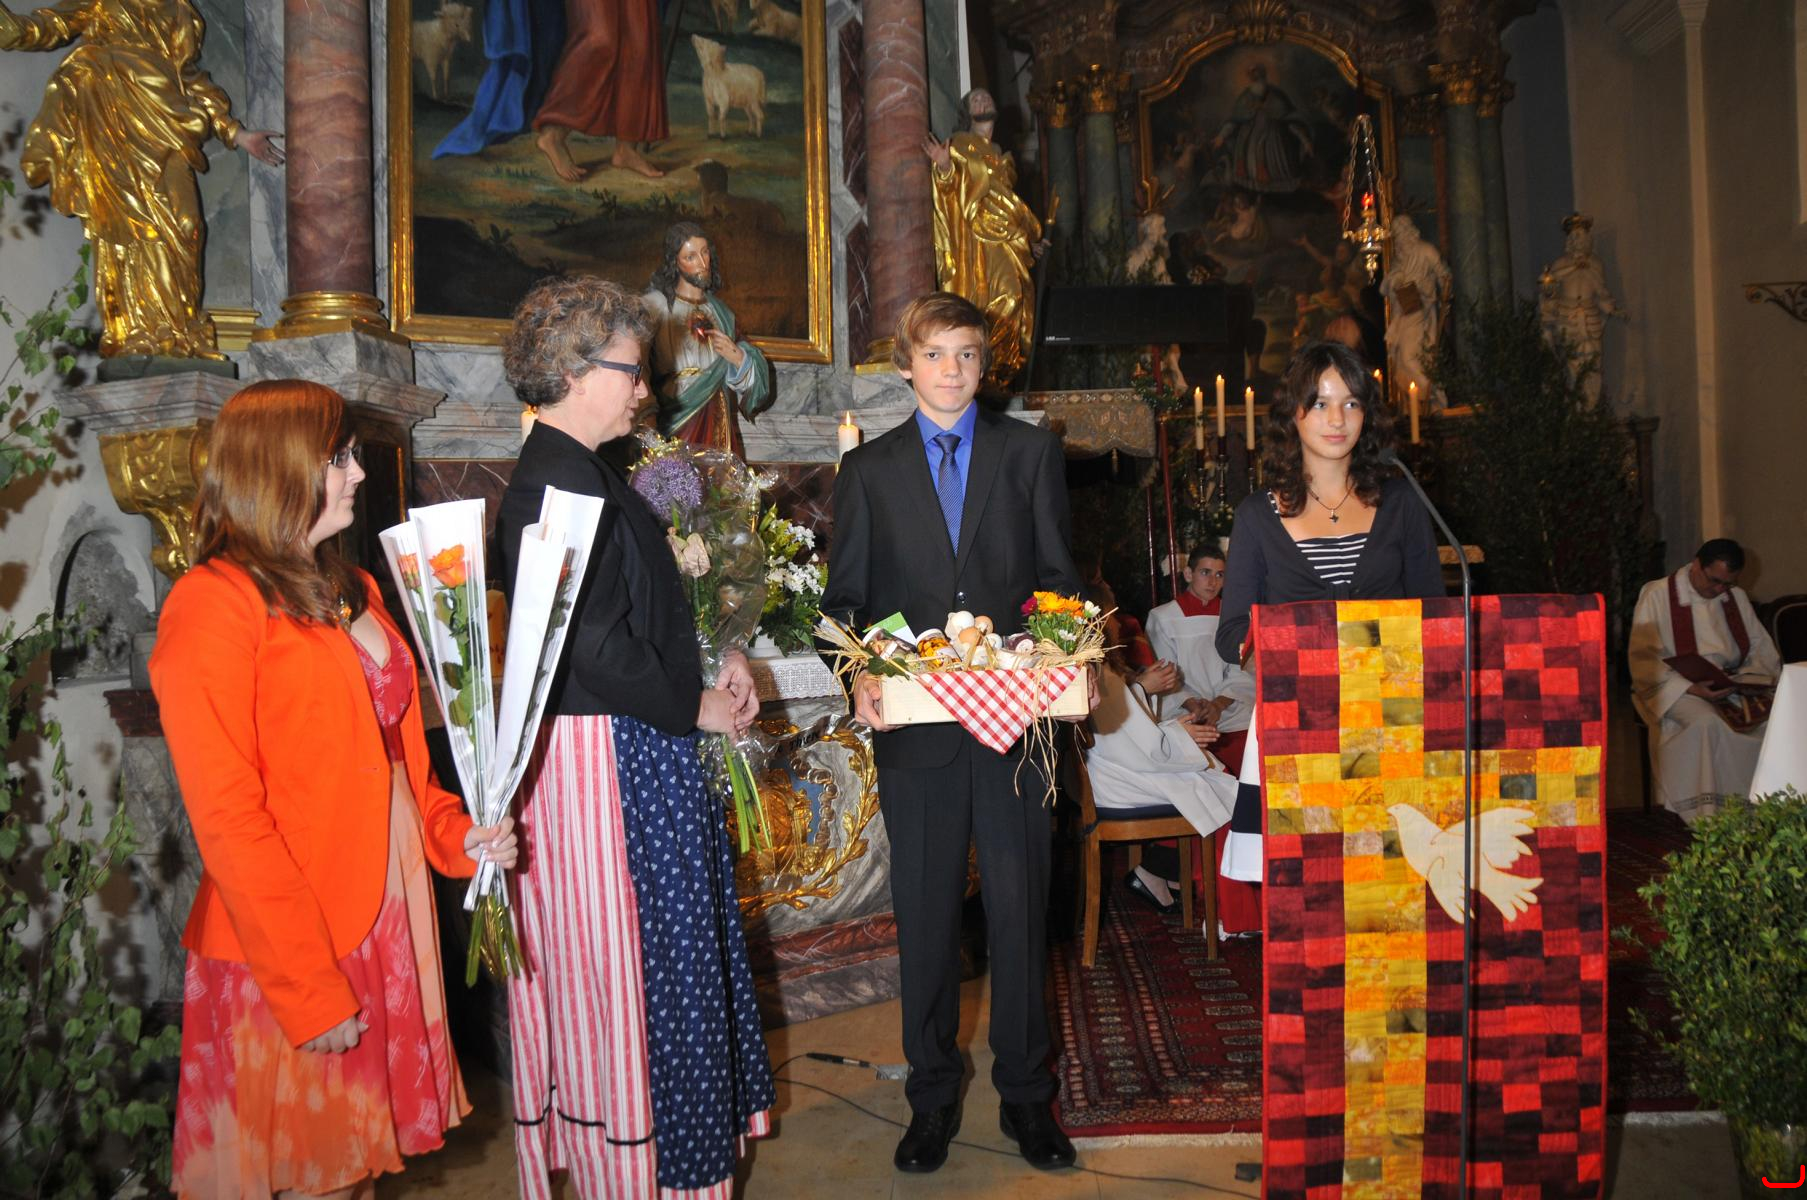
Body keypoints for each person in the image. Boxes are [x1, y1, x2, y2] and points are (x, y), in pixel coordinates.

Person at [150, 380, 518, 1198]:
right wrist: (307, 990)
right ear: (279, 467)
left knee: (355, 1171)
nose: (358, 473)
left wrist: (456, 834)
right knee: (308, 1177)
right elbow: (227, 817)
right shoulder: (211, 604)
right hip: (295, 934)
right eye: (338, 458)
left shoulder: (358, 590)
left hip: (388, 913)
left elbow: (401, 762)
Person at [495, 275, 774, 1198]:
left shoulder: (584, 472)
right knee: (642, 982)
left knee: (670, 974)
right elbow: (592, 644)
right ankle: (647, 1168)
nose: (645, 390)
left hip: (631, 749)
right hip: (606, 765)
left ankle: (672, 1169)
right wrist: (692, 705)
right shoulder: (553, 483)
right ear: (574, 374)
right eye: (629, 370)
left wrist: (712, 661)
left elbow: (635, 613)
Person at [821, 292, 1084, 1174]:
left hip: (1016, 730)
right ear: (905, 365)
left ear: (983, 365)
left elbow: (1057, 583)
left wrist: (1061, 651)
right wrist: (857, 675)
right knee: (927, 922)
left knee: (1019, 914)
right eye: (934, 354)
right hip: (918, 737)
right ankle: (931, 1100)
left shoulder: (1029, 453)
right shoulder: (868, 471)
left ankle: (1027, 1098)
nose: (951, 370)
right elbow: (844, 604)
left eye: (966, 354)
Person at [1216, 340, 1445, 884]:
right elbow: (1231, 634)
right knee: (1310, 884)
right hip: (1300, 722)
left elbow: (1437, 616)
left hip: (1393, 719)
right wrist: (1282, 643)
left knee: (1394, 878)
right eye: (1320, 403)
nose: (1337, 419)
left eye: (1351, 403)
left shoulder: (1402, 503)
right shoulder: (1256, 516)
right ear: (1293, 415)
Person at [0, 0, 284, 358]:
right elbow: (45, 27)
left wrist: (236, 133)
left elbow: (190, 78)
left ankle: (180, 331)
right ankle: (137, 332)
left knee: (187, 227)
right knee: (129, 230)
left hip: (167, 124)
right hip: (114, 124)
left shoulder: (180, 11)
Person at [1086, 604, 1239, 914]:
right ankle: (1226, 906)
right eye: (1113, 618)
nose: (1119, 625)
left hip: (1113, 773)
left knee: (1211, 777)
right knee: (1222, 787)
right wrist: (1181, 736)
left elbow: (1131, 739)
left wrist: (1173, 729)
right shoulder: (1103, 676)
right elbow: (1146, 750)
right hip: (1120, 782)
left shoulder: (1096, 671)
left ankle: (1169, 874)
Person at [1146, 542, 1260, 934]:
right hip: (1187, 713)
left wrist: (1221, 702)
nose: (1212, 581)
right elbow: (1165, 673)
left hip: (1231, 711)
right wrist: (1197, 703)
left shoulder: (1235, 617)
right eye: (1205, 572)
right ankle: (1208, 884)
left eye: (1220, 574)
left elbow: (1243, 668)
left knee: (1249, 791)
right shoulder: (1163, 617)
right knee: (1212, 791)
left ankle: (1244, 885)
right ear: (1188, 574)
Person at [1629, 538, 1780, 824]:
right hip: (1676, 687)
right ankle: (1707, 815)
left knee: (1775, 721)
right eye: (1714, 581)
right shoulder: (1657, 595)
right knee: (1707, 723)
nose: (1720, 590)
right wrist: (1692, 688)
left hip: (1729, 684)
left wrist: (1749, 679)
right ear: (1697, 565)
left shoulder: (1735, 597)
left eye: (1728, 583)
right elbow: (1644, 657)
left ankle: (1757, 809)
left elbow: (1760, 649)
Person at [922, 89, 1045, 391]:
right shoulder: (960, 144)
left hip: (1004, 239)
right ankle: (983, 365)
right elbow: (950, 191)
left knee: (1017, 297)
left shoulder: (1002, 154)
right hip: (974, 240)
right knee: (1002, 297)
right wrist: (944, 166)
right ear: (967, 112)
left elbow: (1008, 204)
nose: (983, 101)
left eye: (987, 97)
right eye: (975, 99)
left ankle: (997, 368)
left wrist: (1027, 241)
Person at [642, 221, 772, 458]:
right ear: (675, 262)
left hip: (716, 417)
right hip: (673, 415)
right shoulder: (654, 307)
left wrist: (738, 358)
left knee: (717, 479)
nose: (702, 264)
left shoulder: (722, 314)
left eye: (705, 253)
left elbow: (755, 377)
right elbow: (638, 366)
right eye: (690, 257)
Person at [1539, 212, 1622, 405]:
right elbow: (1550, 287)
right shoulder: (1561, 264)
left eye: (1581, 236)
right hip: (1567, 319)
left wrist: (1611, 309)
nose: (1577, 241)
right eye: (1574, 236)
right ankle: (1575, 406)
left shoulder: (1595, 264)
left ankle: (1591, 407)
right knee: (1572, 363)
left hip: (1590, 319)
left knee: (1593, 364)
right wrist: (1574, 267)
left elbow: (1600, 291)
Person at [1379, 214, 1451, 406]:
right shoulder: (1399, 258)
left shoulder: (1426, 250)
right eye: (1396, 234)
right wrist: (1396, 281)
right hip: (1403, 311)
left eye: (1401, 231)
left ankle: (1431, 392)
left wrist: (1443, 295)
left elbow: (1444, 275)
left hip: (1421, 310)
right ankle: (1421, 401)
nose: (1399, 237)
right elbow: (1387, 284)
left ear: (1409, 231)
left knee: (1409, 357)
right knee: (1405, 359)